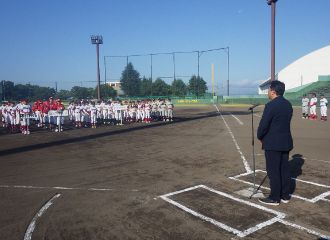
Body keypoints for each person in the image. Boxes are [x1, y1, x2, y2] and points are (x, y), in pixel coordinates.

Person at [257, 80, 293, 206]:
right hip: (285, 142)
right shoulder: (288, 104)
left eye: (268, 90)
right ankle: (285, 195)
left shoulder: (271, 105)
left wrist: (259, 136)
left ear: (273, 91)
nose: (268, 92)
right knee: (284, 169)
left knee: (273, 170)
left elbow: (263, 126)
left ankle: (274, 197)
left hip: (273, 143)